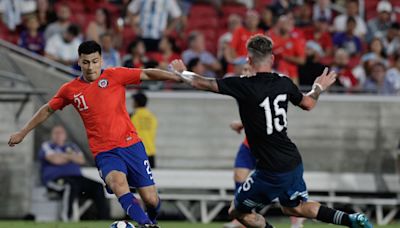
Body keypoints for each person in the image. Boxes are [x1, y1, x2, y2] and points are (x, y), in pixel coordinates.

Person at [170, 34, 372, 228]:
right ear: (272, 58)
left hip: (269, 169)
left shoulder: (242, 85)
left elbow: (200, 82)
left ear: (249, 59)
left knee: (237, 211)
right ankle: (351, 220)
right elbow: (308, 103)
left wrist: (182, 72)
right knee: (295, 207)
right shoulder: (284, 82)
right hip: (292, 161)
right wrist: (318, 87)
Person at [9, 40, 182, 228]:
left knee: (151, 199)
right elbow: (47, 109)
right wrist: (23, 132)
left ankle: (151, 220)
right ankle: (145, 225)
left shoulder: (116, 75)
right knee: (117, 183)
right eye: (86, 62)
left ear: (101, 60)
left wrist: (175, 77)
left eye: (94, 61)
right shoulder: (70, 90)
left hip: (131, 145)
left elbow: (147, 73)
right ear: (79, 62)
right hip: (104, 152)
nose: (90, 67)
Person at [39, 125, 109, 221]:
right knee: (70, 186)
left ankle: (104, 219)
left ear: (65, 135)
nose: (59, 135)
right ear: (52, 135)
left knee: (98, 186)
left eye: (61, 133)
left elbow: (81, 160)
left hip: (76, 178)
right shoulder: (47, 146)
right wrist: (71, 156)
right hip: (55, 179)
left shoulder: (72, 146)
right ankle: (67, 218)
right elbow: (55, 160)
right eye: (56, 133)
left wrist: (62, 156)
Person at [131, 92, 158, 168]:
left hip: (137, 152)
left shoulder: (132, 116)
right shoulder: (152, 116)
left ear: (136, 102)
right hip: (150, 151)